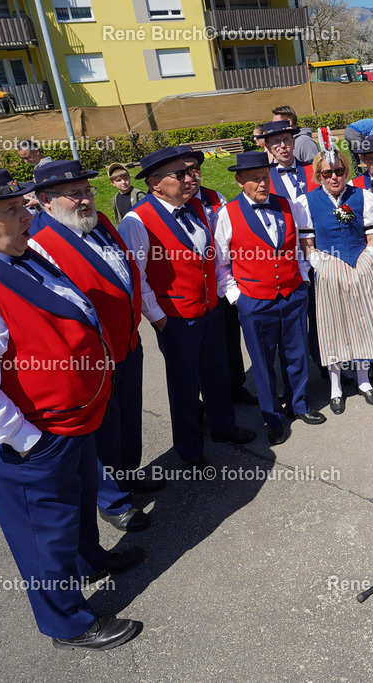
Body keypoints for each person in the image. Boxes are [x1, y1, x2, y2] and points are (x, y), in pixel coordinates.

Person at [0, 169, 143, 650]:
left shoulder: (18, 251)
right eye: (14, 209)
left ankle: (88, 559)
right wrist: (30, 443)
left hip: (68, 419)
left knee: (77, 506)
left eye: (26, 205)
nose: (29, 214)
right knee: (43, 533)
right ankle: (67, 623)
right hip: (30, 438)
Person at [28, 160, 161, 534]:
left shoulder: (99, 221)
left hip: (127, 345)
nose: (84, 200)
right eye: (74, 194)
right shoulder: (40, 244)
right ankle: (112, 500)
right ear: (45, 201)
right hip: (92, 360)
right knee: (102, 429)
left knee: (128, 419)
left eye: (87, 191)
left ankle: (128, 476)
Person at [118, 146, 256, 469]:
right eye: (179, 174)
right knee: (183, 387)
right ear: (155, 183)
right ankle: (190, 450)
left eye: (188, 172)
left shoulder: (193, 207)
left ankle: (224, 427)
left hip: (209, 310)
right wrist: (161, 319)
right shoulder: (137, 221)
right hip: (177, 319)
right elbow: (135, 277)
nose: (188, 178)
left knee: (217, 373)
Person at [214, 151, 327, 444]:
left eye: (265, 177)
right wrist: (237, 297)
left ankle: (299, 405)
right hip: (254, 300)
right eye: (254, 179)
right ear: (240, 180)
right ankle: (273, 417)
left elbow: (299, 246)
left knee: (297, 353)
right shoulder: (227, 214)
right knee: (263, 364)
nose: (262, 184)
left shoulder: (287, 205)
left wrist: (301, 279)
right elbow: (221, 263)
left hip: (291, 294)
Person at [297, 149, 373, 414]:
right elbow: (307, 243)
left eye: (338, 171)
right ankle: (335, 386)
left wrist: (368, 259)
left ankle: (363, 380)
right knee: (332, 327)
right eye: (327, 172)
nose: (334, 177)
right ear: (318, 175)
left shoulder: (363, 196)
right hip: (328, 269)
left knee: (363, 322)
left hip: (360, 266)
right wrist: (322, 265)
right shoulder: (306, 202)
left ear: (346, 172)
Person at [180, 145, 259, 407]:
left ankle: (236, 386)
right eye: (184, 171)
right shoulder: (175, 204)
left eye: (195, 169)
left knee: (229, 340)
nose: (191, 176)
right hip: (193, 289)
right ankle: (204, 400)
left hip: (222, 282)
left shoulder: (216, 198)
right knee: (198, 351)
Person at [259, 120, 320, 201]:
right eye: (276, 141)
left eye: (286, 139)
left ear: (293, 142)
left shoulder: (313, 170)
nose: (283, 145)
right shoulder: (264, 179)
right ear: (268, 147)